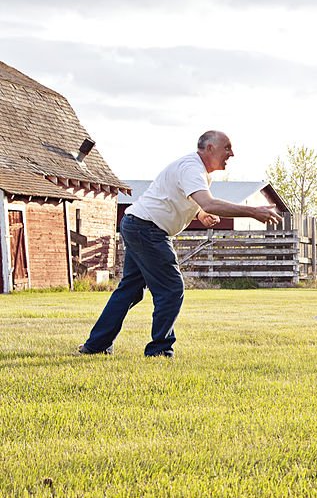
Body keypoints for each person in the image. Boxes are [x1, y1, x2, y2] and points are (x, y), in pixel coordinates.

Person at [79, 131, 282, 357]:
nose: (231, 154)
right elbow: (209, 202)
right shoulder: (191, 168)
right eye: (227, 148)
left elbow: (190, 201)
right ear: (209, 148)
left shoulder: (199, 172)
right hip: (147, 229)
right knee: (171, 288)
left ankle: (95, 345)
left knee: (131, 290)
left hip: (138, 224)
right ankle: (159, 350)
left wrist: (201, 214)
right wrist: (253, 211)